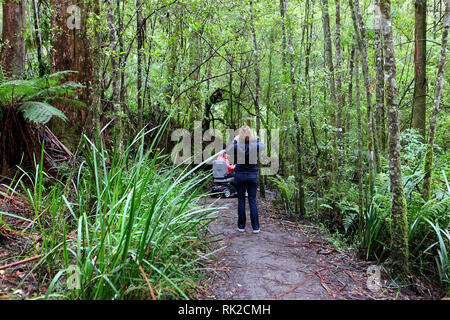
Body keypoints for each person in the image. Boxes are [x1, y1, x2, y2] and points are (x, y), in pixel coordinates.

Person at [225, 125, 265, 234]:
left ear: (240, 135)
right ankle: (255, 227)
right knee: (252, 201)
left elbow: (227, 150)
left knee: (241, 201)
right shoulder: (254, 144)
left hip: (240, 176)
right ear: (250, 134)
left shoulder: (237, 145)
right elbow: (262, 146)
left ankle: (241, 226)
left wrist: (235, 140)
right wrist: (254, 139)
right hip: (252, 176)